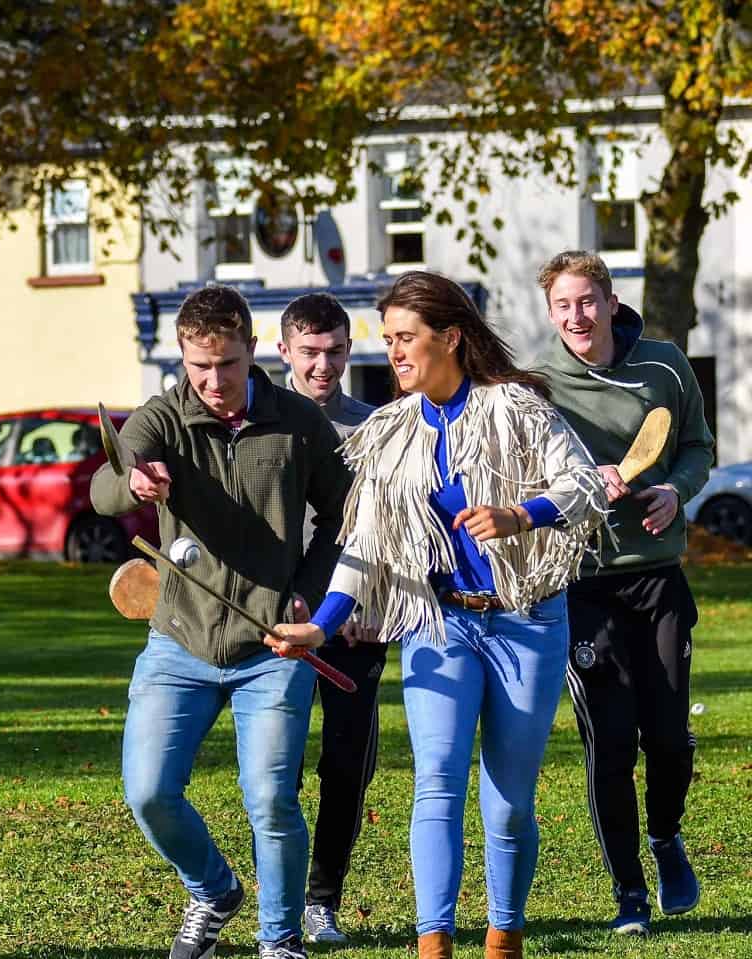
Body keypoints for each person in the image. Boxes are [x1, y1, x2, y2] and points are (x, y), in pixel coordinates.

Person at [263, 271, 608, 959]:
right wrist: (323, 625)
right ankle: (434, 943)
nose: (394, 351)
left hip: (527, 621)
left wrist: (521, 513)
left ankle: (503, 935)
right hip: (439, 624)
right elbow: (363, 547)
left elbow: (584, 485)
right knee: (438, 782)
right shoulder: (390, 432)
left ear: (450, 336)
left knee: (508, 801)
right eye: (388, 339)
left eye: (406, 338)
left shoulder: (518, 407)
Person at [90, 284, 350, 959]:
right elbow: (104, 486)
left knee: (270, 797)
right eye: (199, 366)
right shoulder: (164, 417)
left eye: (226, 364)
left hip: (274, 647)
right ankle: (213, 888)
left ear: (251, 351)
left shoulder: (298, 423)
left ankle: (280, 938)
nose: (213, 381)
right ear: (182, 354)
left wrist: (306, 594)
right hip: (180, 641)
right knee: (148, 790)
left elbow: (345, 517)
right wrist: (135, 483)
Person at [535, 251, 714, 936]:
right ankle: (630, 894)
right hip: (584, 587)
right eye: (563, 306)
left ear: (611, 302)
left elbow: (697, 445)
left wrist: (676, 488)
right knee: (610, 743)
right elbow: (527, 479)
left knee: (668, 738)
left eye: (587, 301)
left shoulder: (666, 365)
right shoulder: (538, 388)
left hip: (660, 579)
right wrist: (582, 481)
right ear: (551, 313)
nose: (576, 316)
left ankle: (666, 836)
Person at [276, 293, 381, 944]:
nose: (324, 365)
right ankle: (280, 900)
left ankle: (323, 900)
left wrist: (373, 607)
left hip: (353, 625)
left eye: (336, 351)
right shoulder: (261, 423)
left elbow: (389, 533)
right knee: (277, 766)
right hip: (279, 624)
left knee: (347, 764)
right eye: (310, 352)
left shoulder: (372, 428)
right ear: (283, 349)